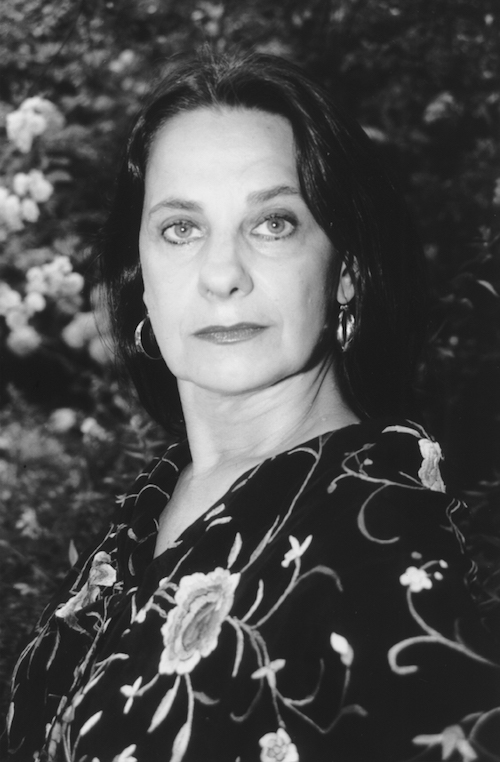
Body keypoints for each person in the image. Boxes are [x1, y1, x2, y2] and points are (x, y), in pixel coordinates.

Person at [3, 49, 500, 762]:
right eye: (181, 228)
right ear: (139, 277)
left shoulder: (372, 542)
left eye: (272, 223)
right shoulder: (158, 500)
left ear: (347, 273)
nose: (223, 274)